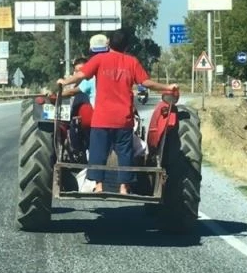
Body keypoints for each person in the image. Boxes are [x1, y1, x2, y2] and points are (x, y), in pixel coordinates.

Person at [57, 30, 177, 195]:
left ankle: (99, 187)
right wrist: (167, 87)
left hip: (101, 119)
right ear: (126, 46)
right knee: (125, 154)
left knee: (98, 153)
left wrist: (64, 82)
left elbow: (81, 75)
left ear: (108, 44)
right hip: (123, 119)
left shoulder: (99, 59)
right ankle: (123, 188)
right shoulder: (132, 62)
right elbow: (146, 82)